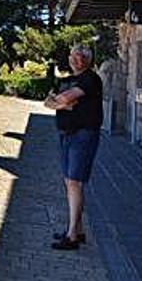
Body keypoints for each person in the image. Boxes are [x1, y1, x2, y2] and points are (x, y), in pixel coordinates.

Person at [44, 44, 103, 250]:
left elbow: (60, 99)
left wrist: (61, 102)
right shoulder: (68, 80)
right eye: (73, 56)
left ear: (88, 60)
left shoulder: (90, 79)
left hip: (83, 135)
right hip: (66, 135)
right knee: (71, 182)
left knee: (74, 182)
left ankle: (71, 236)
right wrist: (63, 104)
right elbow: (48, 102)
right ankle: (77, 230)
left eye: (80, 57)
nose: (75, 60)